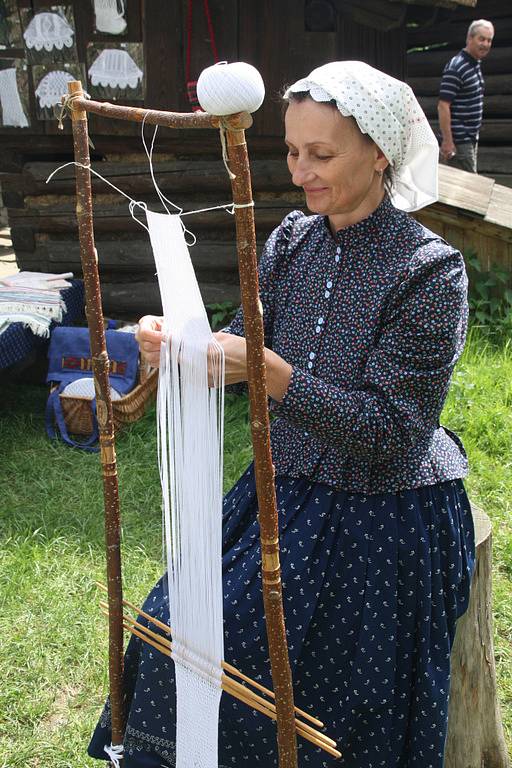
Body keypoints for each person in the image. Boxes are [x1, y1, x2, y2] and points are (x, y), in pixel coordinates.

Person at [89, 61, 475, 767]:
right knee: (170, 629)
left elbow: (389, 435)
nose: (301, 172)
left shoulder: (428, 270)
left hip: (384, 513)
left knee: (294, 683)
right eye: (293, 151)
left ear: (380, 152)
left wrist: (267, 371)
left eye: (322, 154)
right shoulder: (292, 242)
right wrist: (177, 347)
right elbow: (238, 351)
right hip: (290, 488)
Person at [438, 19, 494, 173]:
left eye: (489, 40)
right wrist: (448, 141)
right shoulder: (457, 66)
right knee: (471, 190)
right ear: (470, 38)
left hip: (469, 140)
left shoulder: (474, 63)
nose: (485, 44)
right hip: (459, 141)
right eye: (481, 39)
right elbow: (443, 105)